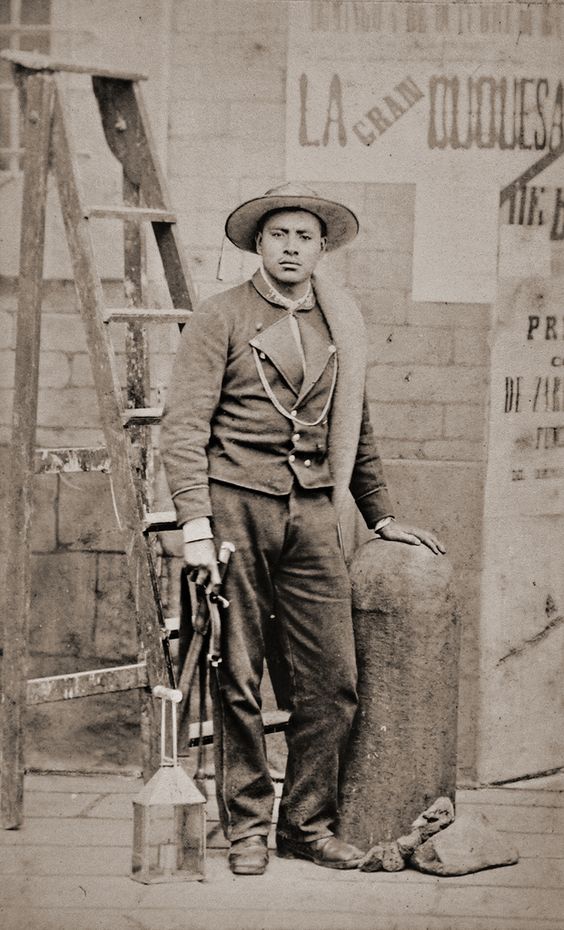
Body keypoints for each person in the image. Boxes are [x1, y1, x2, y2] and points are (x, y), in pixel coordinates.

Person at [160, 182, 445, 876]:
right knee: (239, 676)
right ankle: (248, 827)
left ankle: (305, 825)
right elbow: (184, 428)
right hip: (235, 509)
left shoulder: (340, 321)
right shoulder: (222, 316)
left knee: (333, 681)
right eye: (279, 235)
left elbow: (357, 427)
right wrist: (195, 523)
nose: (291, 248)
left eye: (305, 238)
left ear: (322, 249)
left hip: (314, 514)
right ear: (259, 244)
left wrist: (381, 515)